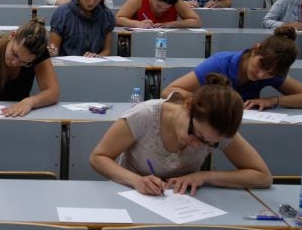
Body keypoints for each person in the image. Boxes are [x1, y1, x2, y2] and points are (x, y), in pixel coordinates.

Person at [89, 73, 272, 196]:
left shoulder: (217, 129)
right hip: (132, 194)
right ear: (187, 107)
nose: (196, 145)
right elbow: (98, 157)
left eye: (210, 144)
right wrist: (136, 181)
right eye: (195, 134)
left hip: (182, 202)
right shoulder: (145, 115)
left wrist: (205, 176)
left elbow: (262, 176)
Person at [163, 26, 302, 111]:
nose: (261, 75)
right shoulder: (220, 63)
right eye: (261, 66)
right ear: (255, 49)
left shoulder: (271, 70)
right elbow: (169, 91)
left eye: (270, 74)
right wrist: (216, 102)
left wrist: (272, 100)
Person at [48, 0, 115, 57]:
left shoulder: (106, 16)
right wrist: (51, 51)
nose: (92, 2)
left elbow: (107, 50)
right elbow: (54, 50)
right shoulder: (62, 13)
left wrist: (97, 57)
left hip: (95, 66)